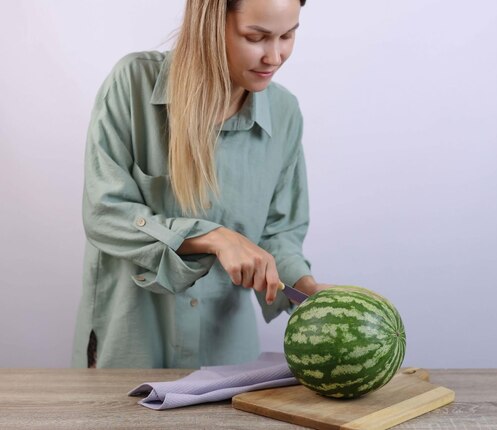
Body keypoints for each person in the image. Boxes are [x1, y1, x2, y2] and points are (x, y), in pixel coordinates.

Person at [72, 0, 330, 369]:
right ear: (210, 24)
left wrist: (307, 290)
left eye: (288, 36)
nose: (274, 56)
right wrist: (213, 237)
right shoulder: (132, 85)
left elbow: (279, 235)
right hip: (129, 350)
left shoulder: (285, 114)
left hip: (225, 361)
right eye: (256, 37)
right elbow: (105, 213)